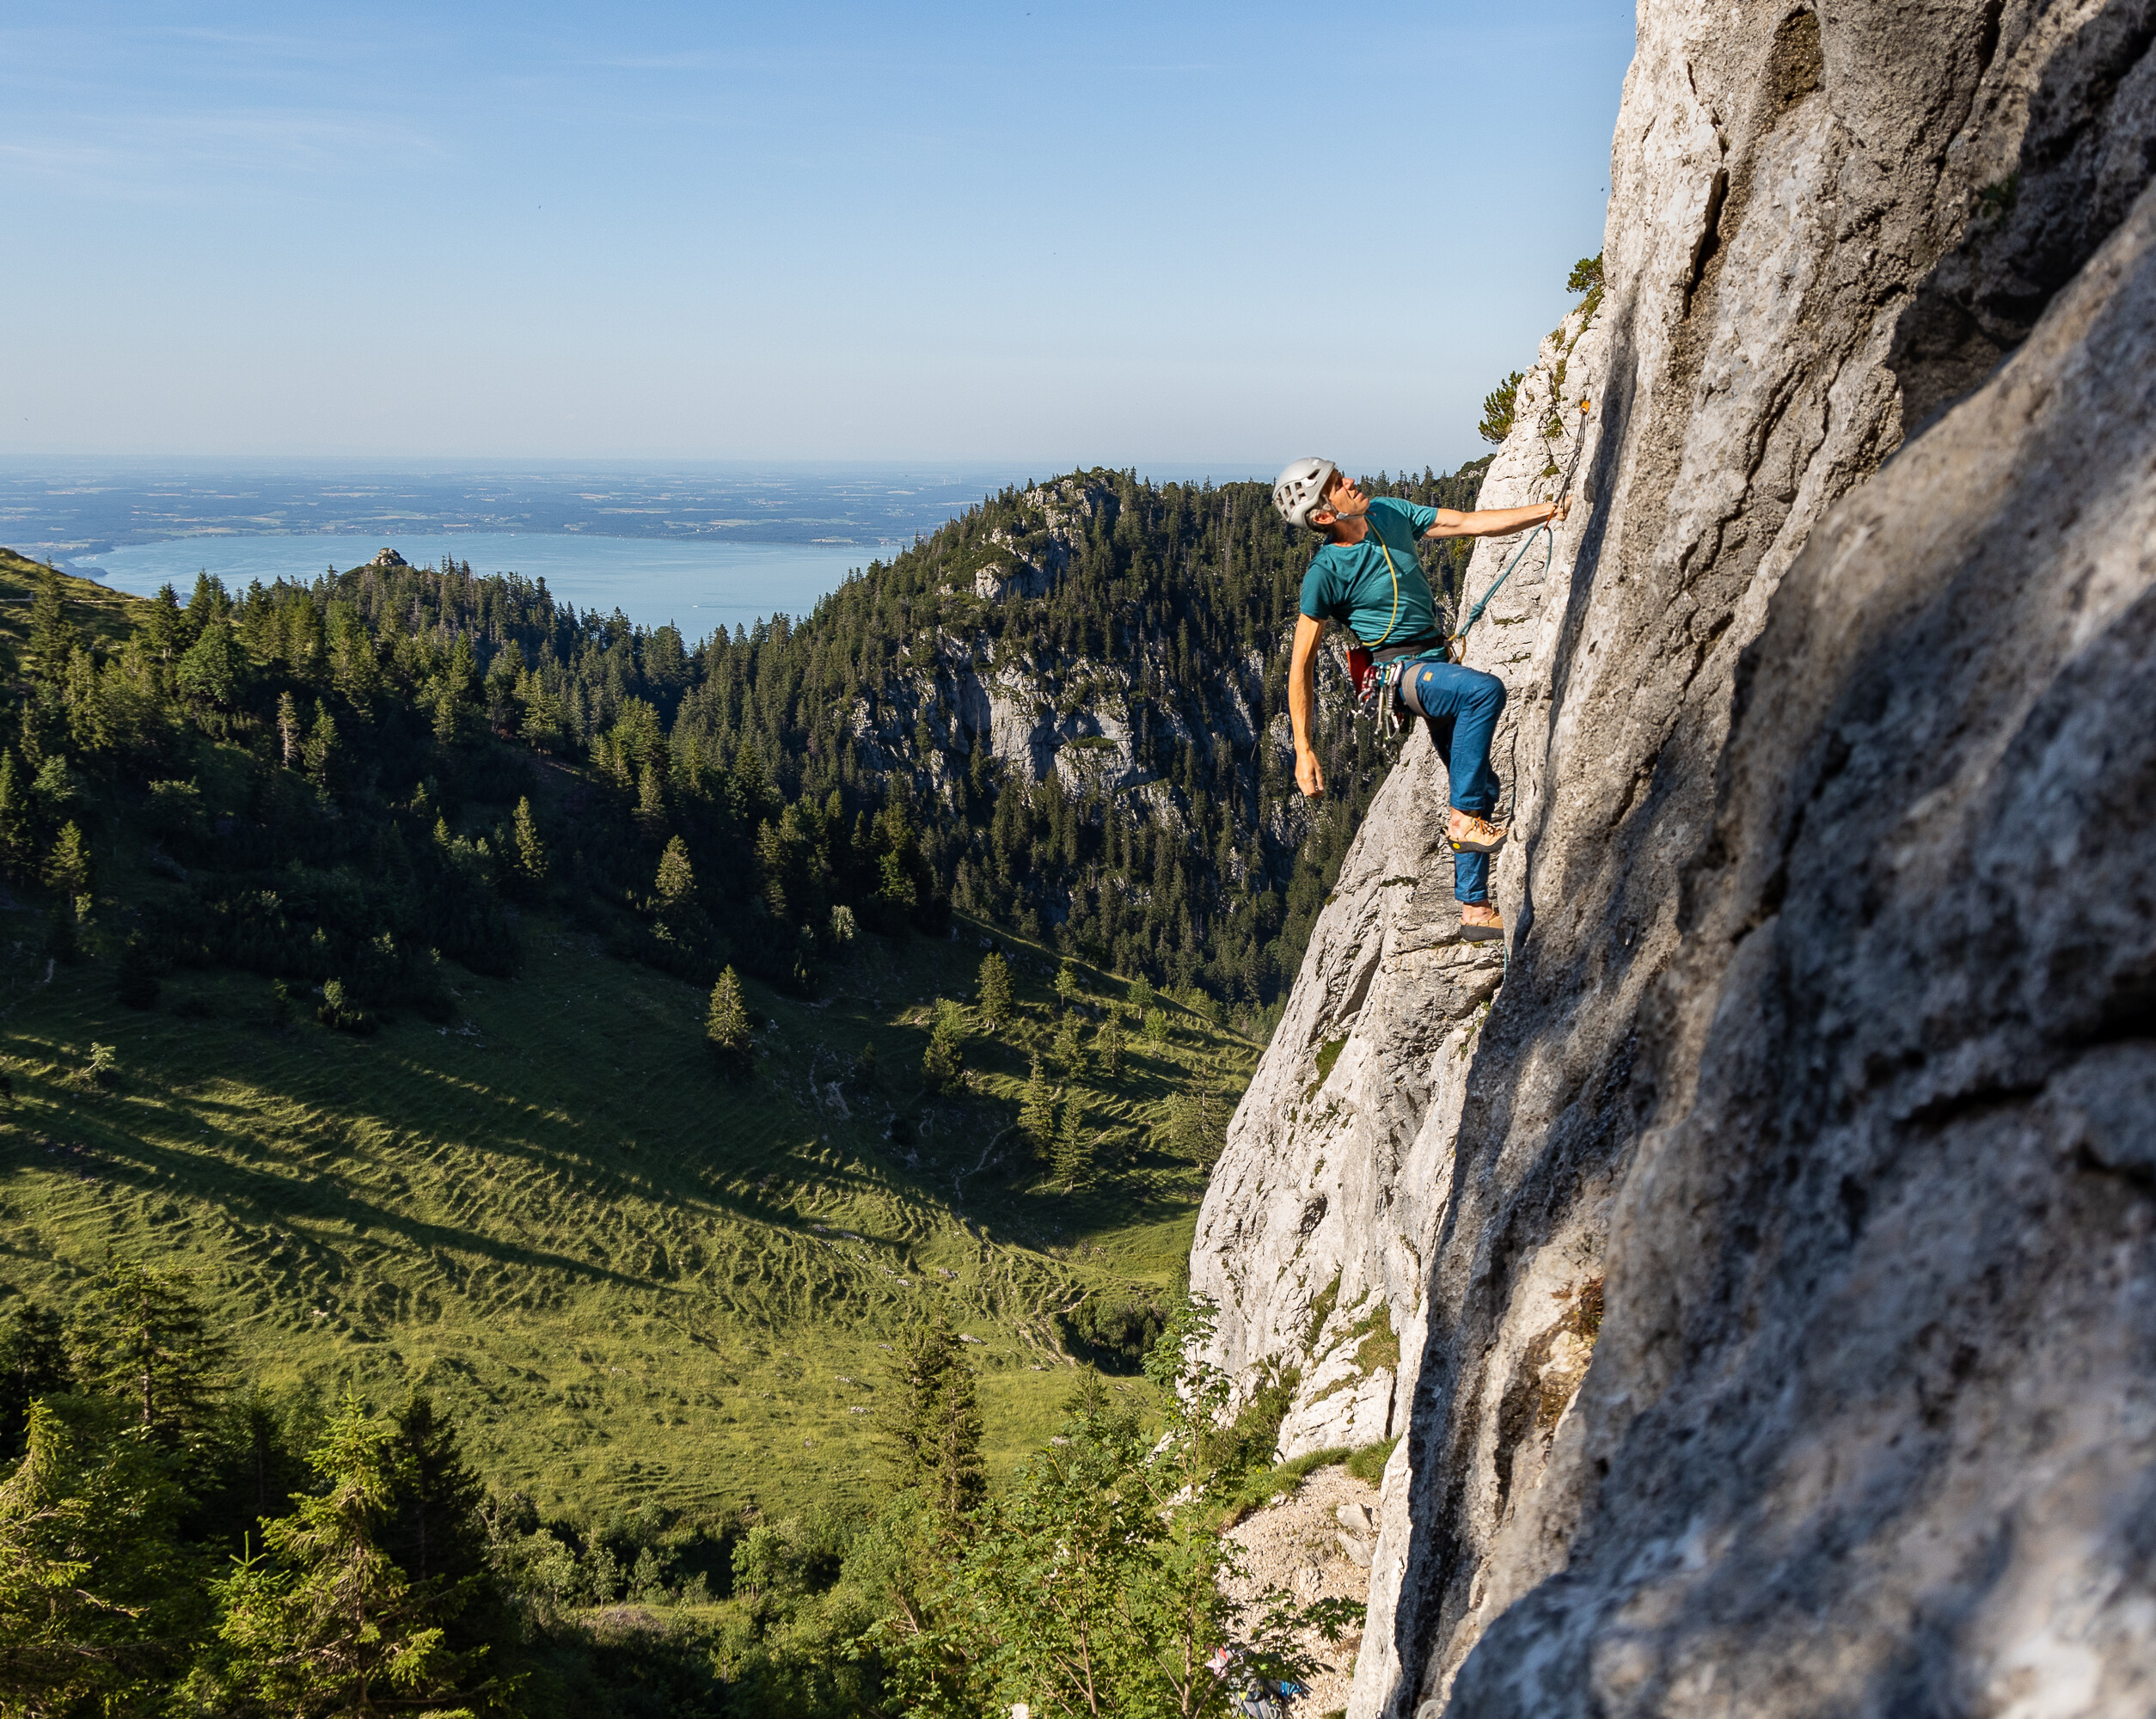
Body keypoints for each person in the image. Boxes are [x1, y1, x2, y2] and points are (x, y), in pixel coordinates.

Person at [1274, 459, 1571, 941]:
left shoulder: (1389, 513)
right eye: (1337, 484)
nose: (1351, 480)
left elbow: (1465, 523)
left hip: (1436, 660)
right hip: (1401, 674)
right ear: (1324, 515)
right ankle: (1463, 822)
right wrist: (1303, 748)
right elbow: (1300, 664)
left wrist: (1545, 512)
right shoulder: (1325, 572)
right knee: (1483, 692)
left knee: (1474, 781)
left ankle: (1474, 910)